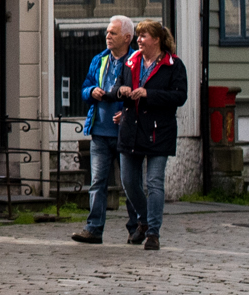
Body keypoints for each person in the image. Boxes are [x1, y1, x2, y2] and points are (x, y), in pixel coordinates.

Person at [116, 19, 187, 251]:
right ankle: (144, 220)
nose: (139, 40)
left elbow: (179, 96)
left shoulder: (173, 64)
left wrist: (149, 94)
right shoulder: (131, 60)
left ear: (156, 39)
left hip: (159, 131)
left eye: (143, 35)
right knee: (128, 182)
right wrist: (121, 91)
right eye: (138, 35)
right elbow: (118, 85)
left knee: (154, 182)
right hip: (131, 129)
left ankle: (153, 232)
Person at [70, 16, 135, 245]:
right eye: (107, 32)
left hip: (125, 133)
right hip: (99, 130)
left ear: (127, 38)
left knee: (130, 184)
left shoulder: (134, 61)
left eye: (113, 33)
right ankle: (94, 228)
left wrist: (127, 114)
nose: (108, 36)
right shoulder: (100, 59)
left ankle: (136, 229)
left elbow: (141, 93)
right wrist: (92, 92)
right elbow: (85, 87)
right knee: (97, 182)